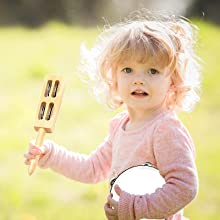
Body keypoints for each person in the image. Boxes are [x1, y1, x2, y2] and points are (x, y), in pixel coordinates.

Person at [24, 10, 201, 220]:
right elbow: (92, 168)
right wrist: (50, 155)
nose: (138, 80)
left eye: (152, 71)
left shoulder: (165, 130)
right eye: (128, 70)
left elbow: (184, 187)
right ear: (113, 77)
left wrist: (134, 208)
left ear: (171, 81)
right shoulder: (121, 125)